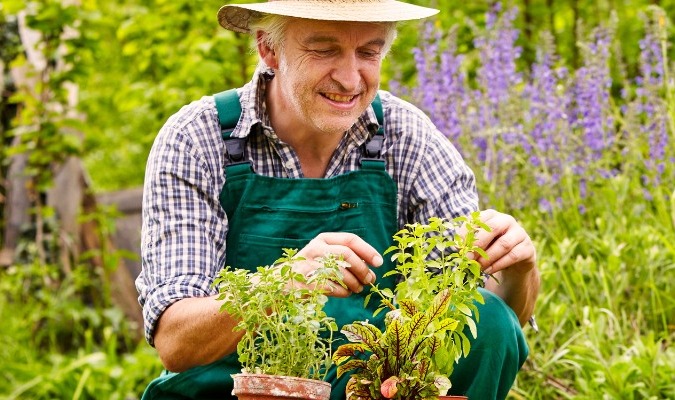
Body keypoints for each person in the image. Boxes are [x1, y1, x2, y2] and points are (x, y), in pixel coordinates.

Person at [133, 1, 540, 399]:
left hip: (371, 387)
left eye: (368, 52)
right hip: (233, 387)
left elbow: (489, 329)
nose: (350, 79)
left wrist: (517, 270)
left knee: (490, 321)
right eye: (324, 50)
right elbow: (175, 341)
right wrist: (283, 283)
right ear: (268, 49)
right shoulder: (199, 138)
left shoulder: (406, 136)